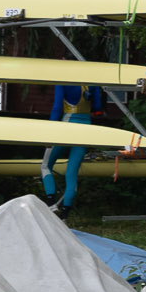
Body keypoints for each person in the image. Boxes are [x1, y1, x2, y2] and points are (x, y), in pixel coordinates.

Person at [40, 83, 99, 215]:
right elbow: (97, 107)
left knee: (45, 165)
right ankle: (65, 213)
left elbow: (56, 107)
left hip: (67, 126)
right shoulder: (93, 82)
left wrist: (49, 133)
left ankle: (51, 202)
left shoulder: (63, 80)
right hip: (86, 128)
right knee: (71, 173)